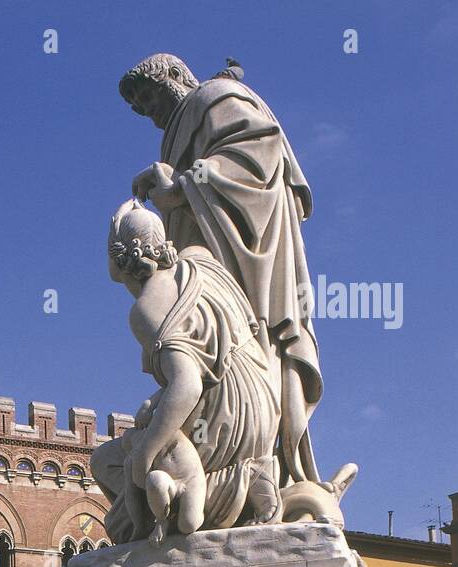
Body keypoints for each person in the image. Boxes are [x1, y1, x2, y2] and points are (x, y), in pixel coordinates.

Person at [121, 53, 324, 488]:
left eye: (150, 97)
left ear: (176, 76)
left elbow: (259, 153)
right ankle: (225, 469)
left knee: (246, 355)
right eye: (140, 107)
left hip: (244, 265)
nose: (149, 111)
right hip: (212, 265)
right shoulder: (179, 127)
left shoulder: (215, 96)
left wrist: (180, 185)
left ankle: (255, 468)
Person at [95, 198, 282, 542]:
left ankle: (237, 481)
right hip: (264, 403)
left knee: (110, 465)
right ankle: (249, 477)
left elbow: (187, 386)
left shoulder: (147, 307)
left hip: (226, 419)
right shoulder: (202, 261)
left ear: (120, 262)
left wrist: (146, 452)